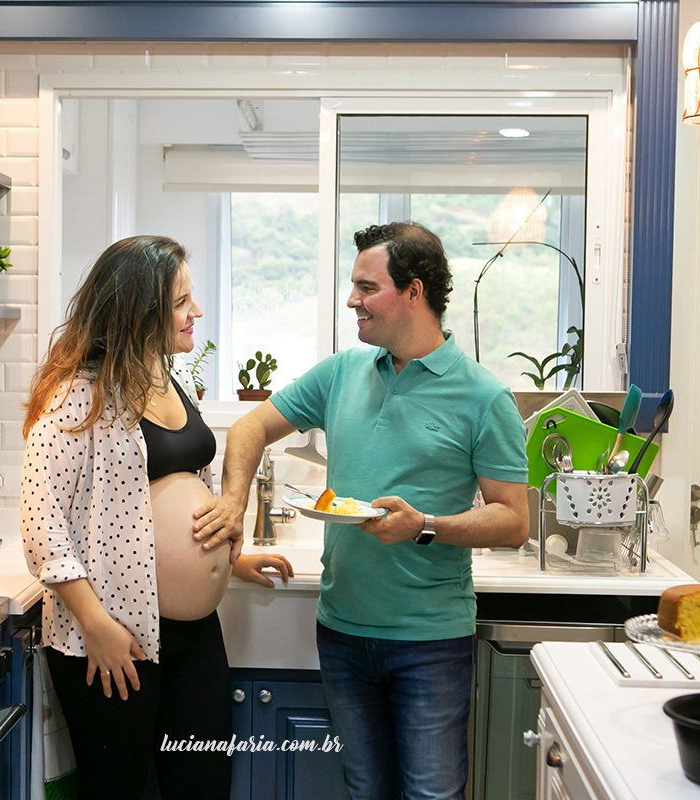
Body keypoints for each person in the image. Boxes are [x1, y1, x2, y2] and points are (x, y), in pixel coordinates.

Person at [193, 221, 529, 800]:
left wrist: (424, 524)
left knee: (431, 795)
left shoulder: (482, 396)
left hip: (430, 640)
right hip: (343, 632)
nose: (353, 300)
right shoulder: (342, 373)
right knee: (363, 791)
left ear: (414, 292)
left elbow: (513, 520)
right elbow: (252, 426)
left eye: (366, 288)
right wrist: (233, 501)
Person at [20, 235, 293, 800]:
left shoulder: (169, 378)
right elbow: (41, 521)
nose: (196, 313)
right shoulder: (79, 393)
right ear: (138, 312)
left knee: (203, 784)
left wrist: (232, 559)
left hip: (194, 633)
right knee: (117, 789)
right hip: (115, 633)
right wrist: (96, 625)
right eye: (180, 303)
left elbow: (183, 488)